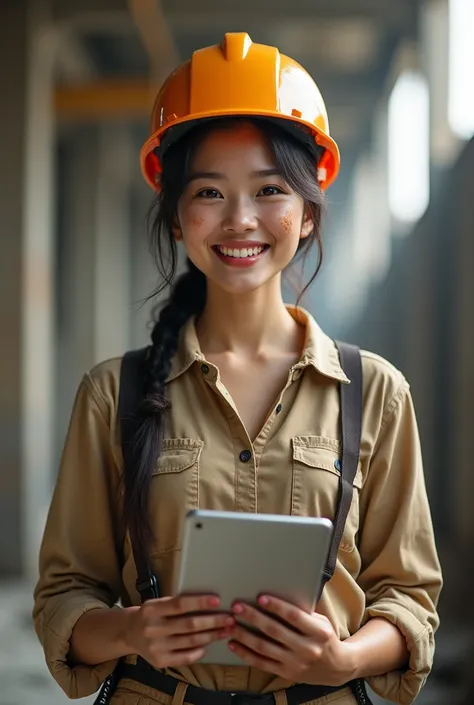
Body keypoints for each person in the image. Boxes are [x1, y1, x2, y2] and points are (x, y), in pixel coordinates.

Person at [33, 33, 442, 705]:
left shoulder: (376, 394)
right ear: (175, 216)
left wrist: (343, 657)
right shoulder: (115, 394)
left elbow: (411, 598)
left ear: (307, 213)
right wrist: (133, 628)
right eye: (209, 192)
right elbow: (63, 598)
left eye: (270, 189)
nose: (241, 219)